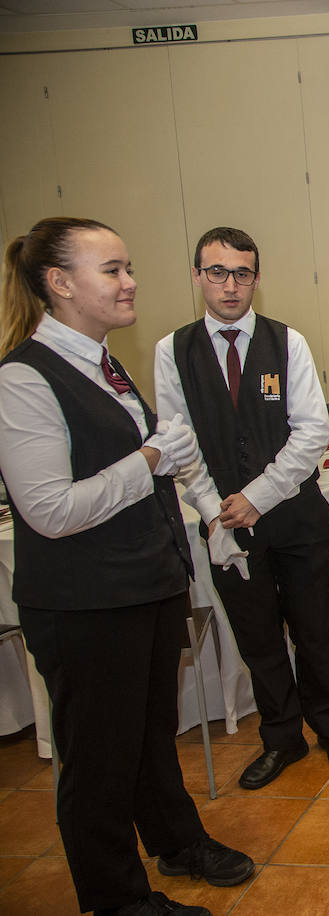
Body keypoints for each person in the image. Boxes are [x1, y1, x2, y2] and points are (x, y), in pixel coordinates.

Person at [0, 217, 254, 915]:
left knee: (148, 737)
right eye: (111, 270)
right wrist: (149, 460)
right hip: (85, 604)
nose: (130, 282)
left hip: (142, 588)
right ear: (58, 283)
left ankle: (177, 841)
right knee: (98, 762)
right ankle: (115, 897)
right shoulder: (23, 380)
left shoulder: (104, 366)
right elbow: (51, 509)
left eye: (128, 267)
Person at [154, 226, 329, 791]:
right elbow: (178, 442)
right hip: (223, 525)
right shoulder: (172, 352)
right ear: (197, 276)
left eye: (242, 273)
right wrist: (216, 509)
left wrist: (258, 496)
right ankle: (281, 738)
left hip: (294, 514)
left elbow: (312, 432)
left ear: (256, 279)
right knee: (258, 637)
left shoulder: (286, 342)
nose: (230, 285)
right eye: (217, 272)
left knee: (315, 626)